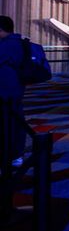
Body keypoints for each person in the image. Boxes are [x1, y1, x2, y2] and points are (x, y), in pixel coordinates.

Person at [0, 16, 28, 168]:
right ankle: (16, 155)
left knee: (7, 125)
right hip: (16, 90)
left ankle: (10, 155)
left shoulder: (6, 45)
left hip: (5, 91)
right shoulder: (20, 43)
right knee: (17, 122)